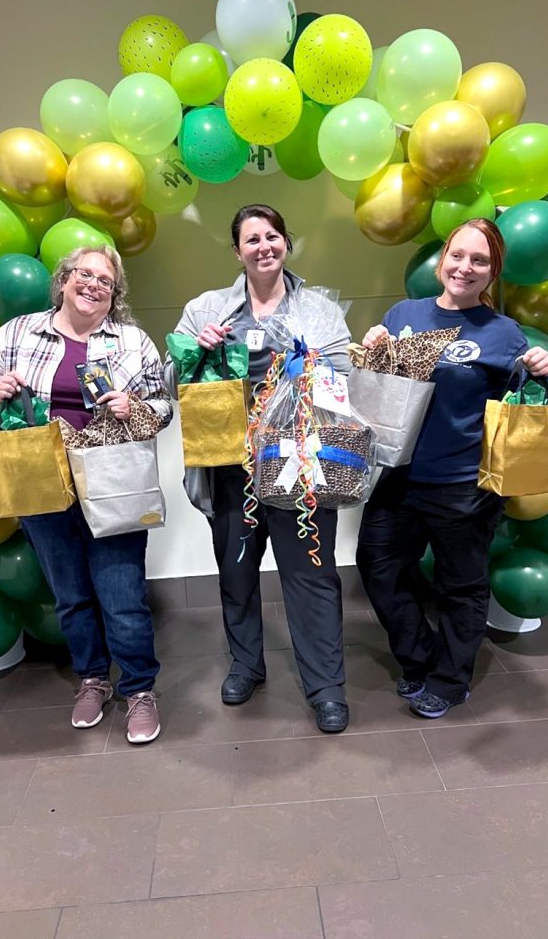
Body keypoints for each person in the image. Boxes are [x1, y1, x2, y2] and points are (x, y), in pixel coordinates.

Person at [165, 204, 353, 733]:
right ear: (237, 251)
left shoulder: (319, 310)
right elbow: (168, 380)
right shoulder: (207, 309)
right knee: (238, 571)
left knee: (311, 575)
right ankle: (247, 664)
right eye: (252, 239)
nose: (264, 246)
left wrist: (313, 363)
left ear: (286, 243)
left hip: (299, 462)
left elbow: (345, 378)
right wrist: (192, 351)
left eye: (273, 236)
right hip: (231, 466)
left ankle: (326, 687)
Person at [0, 245, 172, 744]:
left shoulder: (132, 341)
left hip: (112, 476)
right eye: (85, 274)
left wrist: (136, 407)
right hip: (39, 476)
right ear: (63, 281)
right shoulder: (16, 334)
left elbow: (165, 406)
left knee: (122, 593)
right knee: (71, 593)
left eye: (105, 281)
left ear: (114, 295)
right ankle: (92, 679)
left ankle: (141, 690)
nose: (93, 285)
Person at [355, 218, 548, 719]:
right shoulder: (406, 314)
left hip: (464, 485)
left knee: (460, 585)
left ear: (493, 273)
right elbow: (378, 393)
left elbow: (528, 392)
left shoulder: (504, 332)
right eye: (458, 255)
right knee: (378, 568)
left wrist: (546, 367)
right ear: (443, 259)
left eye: (479, 260)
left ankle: (450, 680)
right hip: (398, 475)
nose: (465, 267)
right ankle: (420, 658)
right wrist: (372, 349)